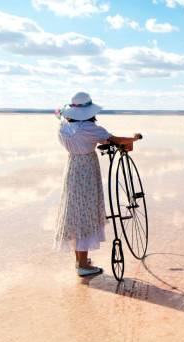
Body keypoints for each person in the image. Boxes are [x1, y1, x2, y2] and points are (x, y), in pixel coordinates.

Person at [53, 91, 141, 276]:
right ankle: (83, 266)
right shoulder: (89, 129)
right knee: (85, 213)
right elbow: (116, 140)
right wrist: (134, 138)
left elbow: (62, 118)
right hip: (87, 170)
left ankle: (80, 261)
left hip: (73, 167)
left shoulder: (64, 127)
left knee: (76, 212)